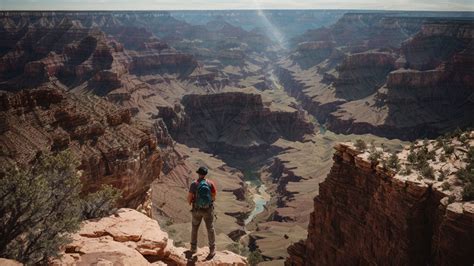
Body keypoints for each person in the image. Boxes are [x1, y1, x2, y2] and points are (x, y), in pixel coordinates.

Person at [187, 166, 217, 257]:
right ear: (205, 174)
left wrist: (191, 203)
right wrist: (209, 203)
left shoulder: (194, 184)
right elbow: (214, 196)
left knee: (195, 228)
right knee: (210, 229)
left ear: (198, 174)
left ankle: (193, 248)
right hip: (208, 210)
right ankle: (212, 250)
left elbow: (189, 197)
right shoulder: (210, 183)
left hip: (196, 209)